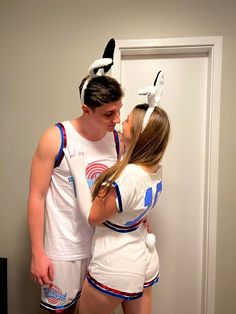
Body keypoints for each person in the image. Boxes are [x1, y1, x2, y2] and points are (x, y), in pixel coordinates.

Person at [64, 71, 170, 314]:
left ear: (140, 135)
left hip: (116, 263)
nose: (120, 122)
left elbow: (92, 216)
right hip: (144, 255)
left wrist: (79, 174)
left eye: (128, 121)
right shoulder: (154, 168)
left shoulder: (128, 176)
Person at [27, 55, 124, 313]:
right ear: (86, 109)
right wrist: (38, 253)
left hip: (103, 247)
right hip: (63, 249)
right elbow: (36, 197)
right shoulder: (56, 137)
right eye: (109, 113)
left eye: (119, 110)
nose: (117, 119)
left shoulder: (116, 141)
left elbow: (125, 191)